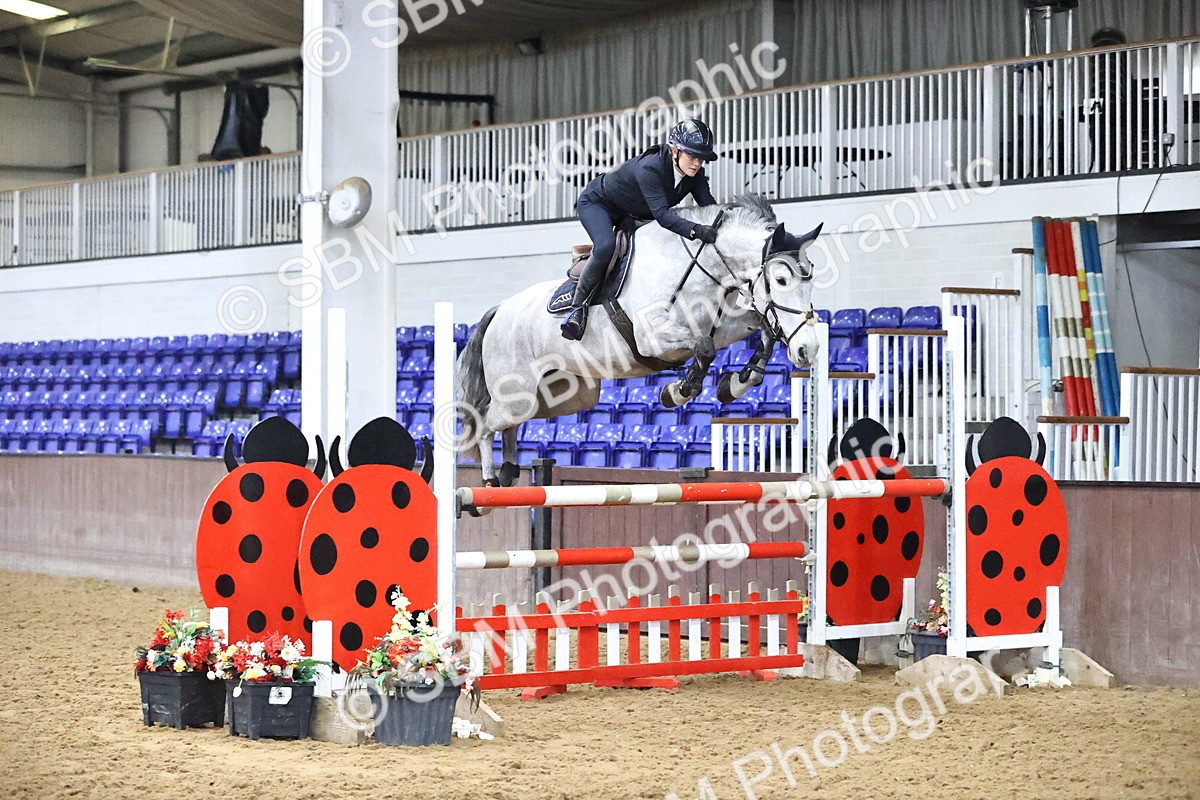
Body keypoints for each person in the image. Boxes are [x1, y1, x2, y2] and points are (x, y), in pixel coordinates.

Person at [560, 119, 721, 340]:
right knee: (606, 246)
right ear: (675, 150)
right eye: (692, 156)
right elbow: (663, 216)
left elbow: (709, 207)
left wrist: (726, 222)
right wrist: (696, 230)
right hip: (599, 204)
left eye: (701, 158)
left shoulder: (695, 176)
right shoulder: (651, 168)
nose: (697, 163)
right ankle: (577, 309)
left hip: (633, 214)